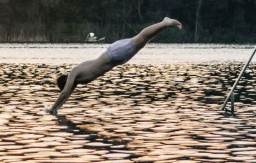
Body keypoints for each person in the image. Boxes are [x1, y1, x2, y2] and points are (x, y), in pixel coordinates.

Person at [47, 17, 182, 114]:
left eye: (65, 87)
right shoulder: (76, 80)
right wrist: (56, 109)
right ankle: (164, 25)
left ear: (66, 82)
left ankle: (165, 23)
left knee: (140, 38)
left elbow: (65, 92)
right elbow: (67, 95)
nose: (68, 89)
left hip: (114, 54)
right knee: (143, 41)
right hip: (117, 58)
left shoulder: (74, 72)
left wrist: (51, 108)